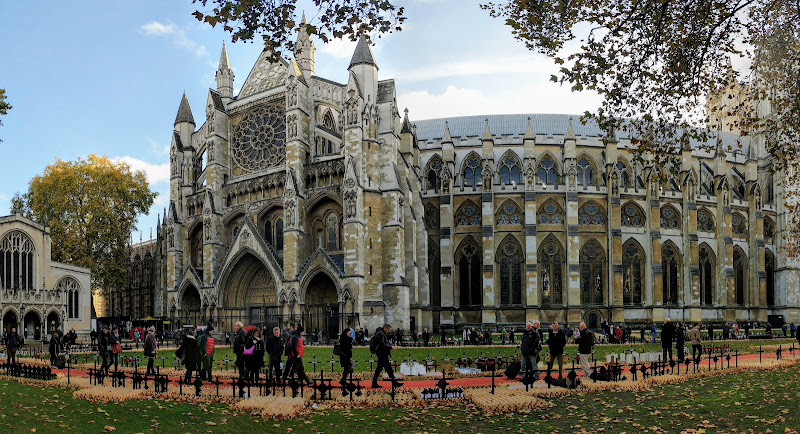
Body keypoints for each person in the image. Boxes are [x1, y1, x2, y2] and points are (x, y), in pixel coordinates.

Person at [371, 323, 398, 388]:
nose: (389, 331)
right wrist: (391, 347)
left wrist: (390, 345)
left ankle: (374, 383)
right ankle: (394, 383)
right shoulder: (380, 334)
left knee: (381, 368)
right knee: (388, 369)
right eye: (389, 329)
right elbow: (382, 344)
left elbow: (384, 342)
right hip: (382, 353)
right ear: (385, 328)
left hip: (382, 353)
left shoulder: (381, 333)